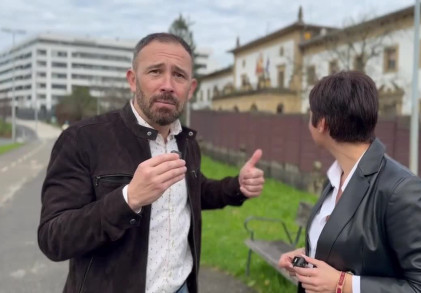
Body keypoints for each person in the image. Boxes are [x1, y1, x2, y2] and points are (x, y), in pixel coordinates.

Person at [38, 33, 265, 293]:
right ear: (133, 80)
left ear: (190, 89)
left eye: (179, 75)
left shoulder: (186, 141)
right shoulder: (83, 139)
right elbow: (53, 238)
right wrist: (128, 199)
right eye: (155, 72)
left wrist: (237, 185)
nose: (167, 85)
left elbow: (194, 191)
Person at [278, 71, 421, 293]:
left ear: (321, 123)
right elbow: (355, 250)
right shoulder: (336, 177)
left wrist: (344, 285)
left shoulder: (403, 191)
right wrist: (308, 256)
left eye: (310, 113)